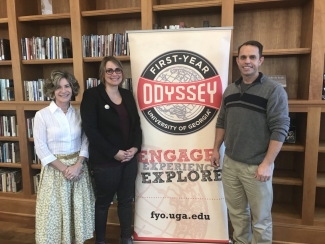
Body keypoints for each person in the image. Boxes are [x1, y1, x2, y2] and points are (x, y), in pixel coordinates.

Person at [210, 40, 290, 244]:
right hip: (230, 164)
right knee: (237, 215)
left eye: (252, 57)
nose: (247, 61)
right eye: (243, 57)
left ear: (260, 60)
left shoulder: (273, 91)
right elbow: (222, 121)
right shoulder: (229, 91)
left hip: (257, 167)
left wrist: (267, 164)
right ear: (237, 61)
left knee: (261, 220)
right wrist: (216, 149)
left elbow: (280, 129)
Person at [80, 56, 142, 244]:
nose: (114, 74)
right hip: (106, 161)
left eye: (117, 70)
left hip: (129, 160)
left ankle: (125, 238)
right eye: (109, 70)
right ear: (102, 73)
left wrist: (135, 148)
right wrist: (113, 152)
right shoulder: (92, 95)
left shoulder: (128, 95)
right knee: (103, 203)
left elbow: (136, 126)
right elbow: (91, 130)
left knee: (125, 201)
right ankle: (101, 240)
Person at [34, 70, 95, 244]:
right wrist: (65, 169)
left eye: (67, 86)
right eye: (58, 87)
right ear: (52, 90)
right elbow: (41, 148)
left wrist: (78, 165)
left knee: (76, 216)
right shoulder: (42, 115)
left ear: (72, 88)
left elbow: (86, 139)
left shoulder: (79, 113)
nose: (63, 91)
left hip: (78, 169)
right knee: (54, 217)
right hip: (56, 172)